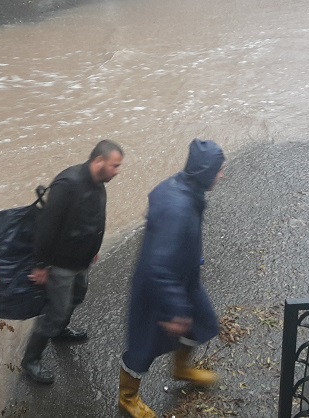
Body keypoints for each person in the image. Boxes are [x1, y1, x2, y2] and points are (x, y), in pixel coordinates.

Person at [118, 139, 226, 418]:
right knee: (142, 346)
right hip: (158, 288)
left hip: (184, 279)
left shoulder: (182, 186)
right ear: (204, 172)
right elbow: (158, 266)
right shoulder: (178, 209)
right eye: (218, 170)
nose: (222, 175)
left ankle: (181, 369)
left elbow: (155, 199)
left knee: (202, 321)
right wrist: (176, 309)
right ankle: (127, 398)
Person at [21, 139, 124, 385]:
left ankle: (60, 332)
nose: (117, 171)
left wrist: (93, 250)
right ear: (98, 161)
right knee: (55, 312)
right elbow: (47, 228)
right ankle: (30, 361)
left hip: (82, 261)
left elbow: (94, 219)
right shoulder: (68, 184)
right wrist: (40, 265)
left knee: (77, 297)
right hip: (60, 265)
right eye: (114, 165)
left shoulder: (99, 182)